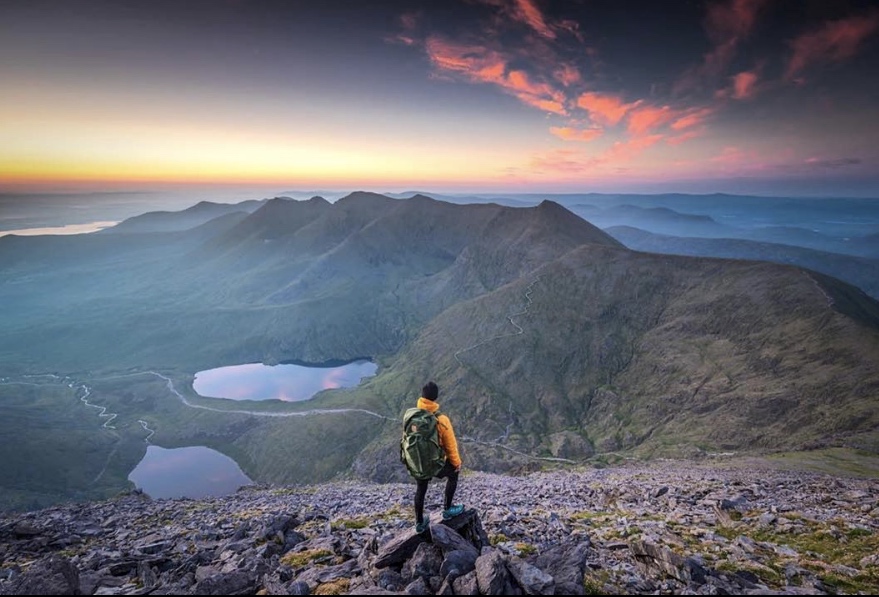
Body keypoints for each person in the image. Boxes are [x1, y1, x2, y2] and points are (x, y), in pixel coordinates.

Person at [413, 381, 463, 534]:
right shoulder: (441, 420)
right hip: (436, 463)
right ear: (436, 398)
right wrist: (456, 463)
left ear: (422, 396)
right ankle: (447, 509)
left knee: (421, 488)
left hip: (418, 463)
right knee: (454, 474)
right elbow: (450, 446)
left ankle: (420, 523)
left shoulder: (411, 416)